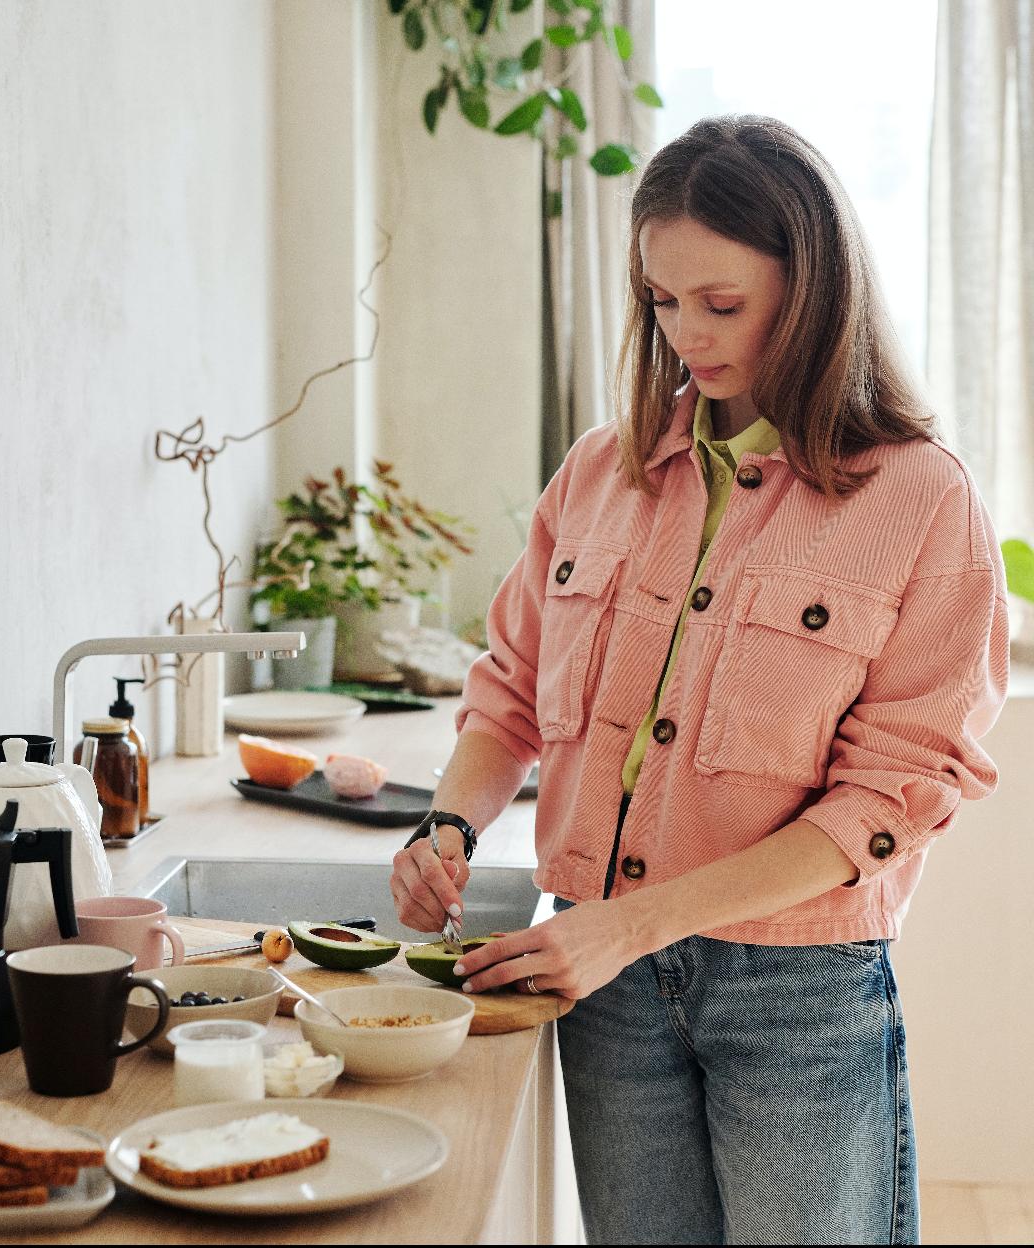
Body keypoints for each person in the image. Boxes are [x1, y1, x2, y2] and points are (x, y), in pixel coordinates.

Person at [390, 114, 1008, 1246]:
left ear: (813, 288)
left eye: (720, 304)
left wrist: (633, 925)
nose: (685, 336)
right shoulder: (599, 472)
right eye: (662, 302)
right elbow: (511, 692)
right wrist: (450, 824)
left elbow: (892, 801)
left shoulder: (921, 503)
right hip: (604, 990)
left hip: (798, 993)